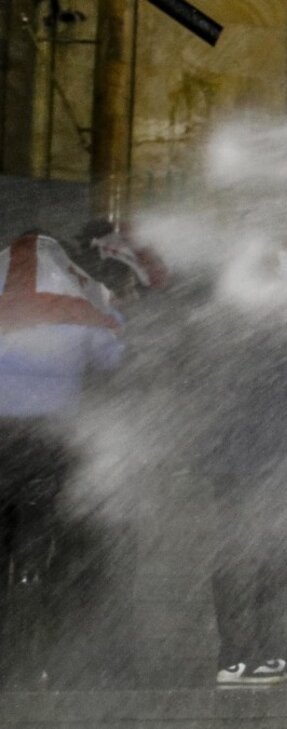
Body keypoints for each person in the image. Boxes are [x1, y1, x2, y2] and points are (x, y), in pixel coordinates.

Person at [189, 242, 287, 686]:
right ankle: (234, 654)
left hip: (283, 454)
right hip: (240, 457)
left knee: (283, 552)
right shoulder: (231, 320)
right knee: (238, 552)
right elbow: (219, 389)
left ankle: (271, 647)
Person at [0, 232, 123, 686]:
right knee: (33, 546)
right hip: (47, 443)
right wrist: (108, 309)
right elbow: (114, 356)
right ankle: (29, 659)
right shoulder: (78, 304)